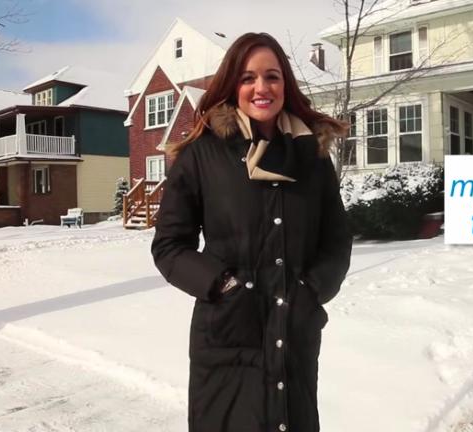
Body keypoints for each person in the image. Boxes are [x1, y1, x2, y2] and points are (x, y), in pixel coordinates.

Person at [151, 32, 353, 432]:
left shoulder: (311, 156)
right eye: (248, 78)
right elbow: (170, 245)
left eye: (272, 77)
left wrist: (310, 292)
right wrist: (222, 284)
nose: (261, 88)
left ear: (285, 85)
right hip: (227, 337)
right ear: (232, 86)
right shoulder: (202, 155)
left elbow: (336, 239)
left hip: (293, 332)